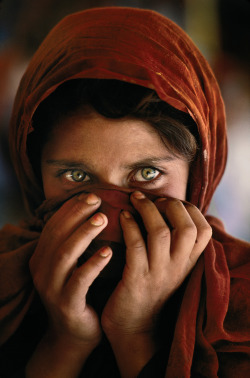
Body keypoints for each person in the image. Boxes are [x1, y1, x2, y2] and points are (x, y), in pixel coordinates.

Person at [0, 7, 249, 378]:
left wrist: (135, 333)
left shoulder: (239, 307)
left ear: (198, 175)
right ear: (33, 171)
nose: (109, 215)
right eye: (76, 175)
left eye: (148, 174)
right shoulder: (7, 286)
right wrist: (65, 340)